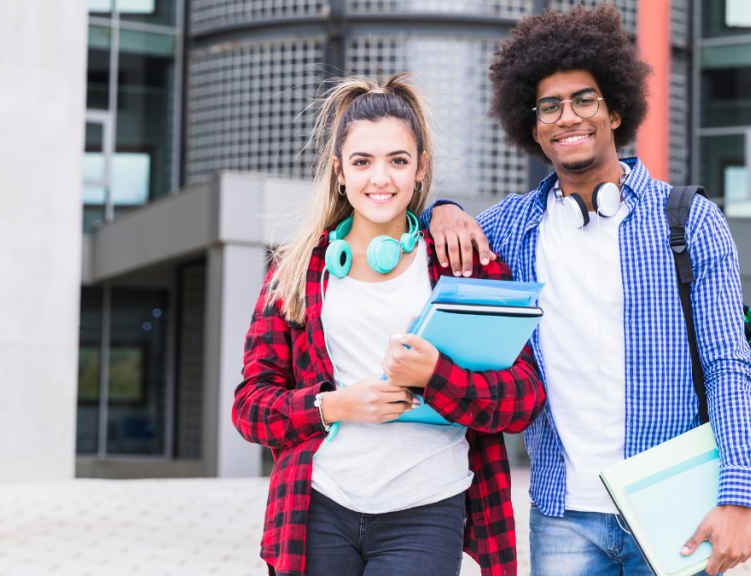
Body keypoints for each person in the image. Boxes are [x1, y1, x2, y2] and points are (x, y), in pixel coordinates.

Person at [423, 6, 751, 576]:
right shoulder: (511, 228)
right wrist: (443, 209)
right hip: (563, 517)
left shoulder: (690, 221)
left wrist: (737, 497)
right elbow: (437, 238)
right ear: (532, 127)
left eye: (584, 99)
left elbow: (729, 363)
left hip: (675, 506)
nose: (567, 117)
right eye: (549, 106)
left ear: (614, 110)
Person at [233, 73, 546, 576]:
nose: (380, 178)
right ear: (338, 172)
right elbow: (250, 408)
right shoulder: (293, 271)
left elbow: (523, 398)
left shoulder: (464, 262)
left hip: (427, 506)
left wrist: (436, 376)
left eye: (397, 161)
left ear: (421, 169)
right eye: (362, 162)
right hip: (317, 505)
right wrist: (335, 405)